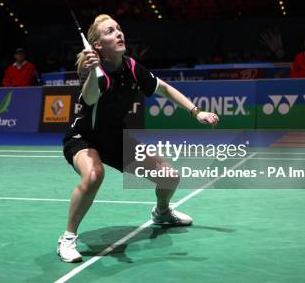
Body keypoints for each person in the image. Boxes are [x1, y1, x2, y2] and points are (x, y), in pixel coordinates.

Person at [57, 14, 219, 262]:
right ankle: (67, 238)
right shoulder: (95, 71)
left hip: (115, 138)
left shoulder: (132, 68)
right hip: (84, 137)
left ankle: (162, 213)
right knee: (93, 174)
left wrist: (196, 111)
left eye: (119, 28)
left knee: (169, 176)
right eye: (110, 31)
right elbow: (89, 99)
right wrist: (91, 71)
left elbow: (164, 88)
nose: (119, 33)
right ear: (98, 45)